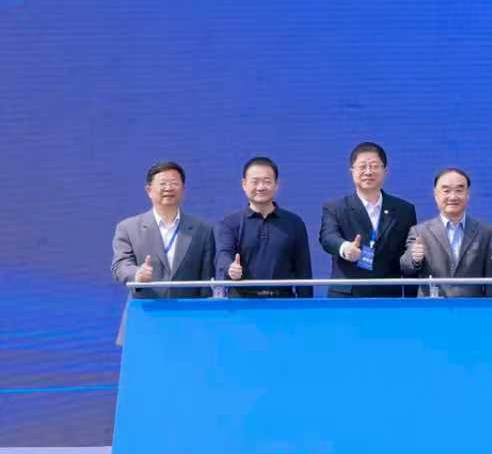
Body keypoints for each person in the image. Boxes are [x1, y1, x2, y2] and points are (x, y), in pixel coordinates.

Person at [112, 161, 215, 340]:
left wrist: (203, 323)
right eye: (163, 183)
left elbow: (205, 282)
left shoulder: (202, 229)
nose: (168, 188)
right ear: (149, 190)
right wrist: (137, 274)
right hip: (144, 318)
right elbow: (120, 265)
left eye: (174, 183)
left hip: (188, 323)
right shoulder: (128, 228)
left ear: (183, 189)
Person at [318, 143, 418, 298]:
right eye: (362, 166)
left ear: (385, 171)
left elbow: (408, 254)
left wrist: (412, 298)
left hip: (388, 295)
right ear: (352, 171)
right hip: (348, 296)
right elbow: (327, 237)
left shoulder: (404, 210)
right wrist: (345, 247)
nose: (368, 172)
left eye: (374, 166)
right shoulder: (335, 208)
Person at [214, 156, 312, 298]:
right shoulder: (230, 224)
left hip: (282, 303)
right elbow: (223, 255)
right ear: (244, 184)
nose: (260, 187)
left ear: (276, 185)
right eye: (255, 182)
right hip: (242, 303)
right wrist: (230, 267)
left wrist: (306, 305)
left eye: (267, 181)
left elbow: (303, 271)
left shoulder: (294, 223)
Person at [399, 167, 492, 298]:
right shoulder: (420, 232)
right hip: (433, 306)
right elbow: (405, 266)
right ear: (436, 195)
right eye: (446, 191)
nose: (453, 197)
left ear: (468, 194)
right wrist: (415, 259)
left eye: (459, 190)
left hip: (472, 307)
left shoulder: (486, 233)